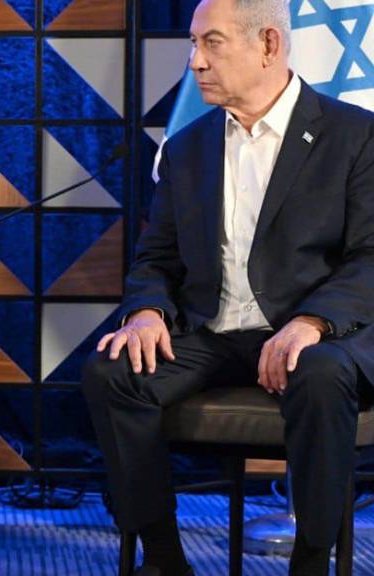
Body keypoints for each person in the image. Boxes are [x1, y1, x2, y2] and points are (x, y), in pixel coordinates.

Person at [80, 0, 374, 574]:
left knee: (321, 374)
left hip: (314, 336)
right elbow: (157, 258)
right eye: (193, 44)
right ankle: (164, 559)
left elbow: (370, 254)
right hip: (212, 332)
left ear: (268, 45)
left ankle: (312, 561)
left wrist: (311, 322)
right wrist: (146, 313)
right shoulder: (187, 148)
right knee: (112, 372)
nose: (195, 61)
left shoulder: (355, 135)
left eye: (211, 43)